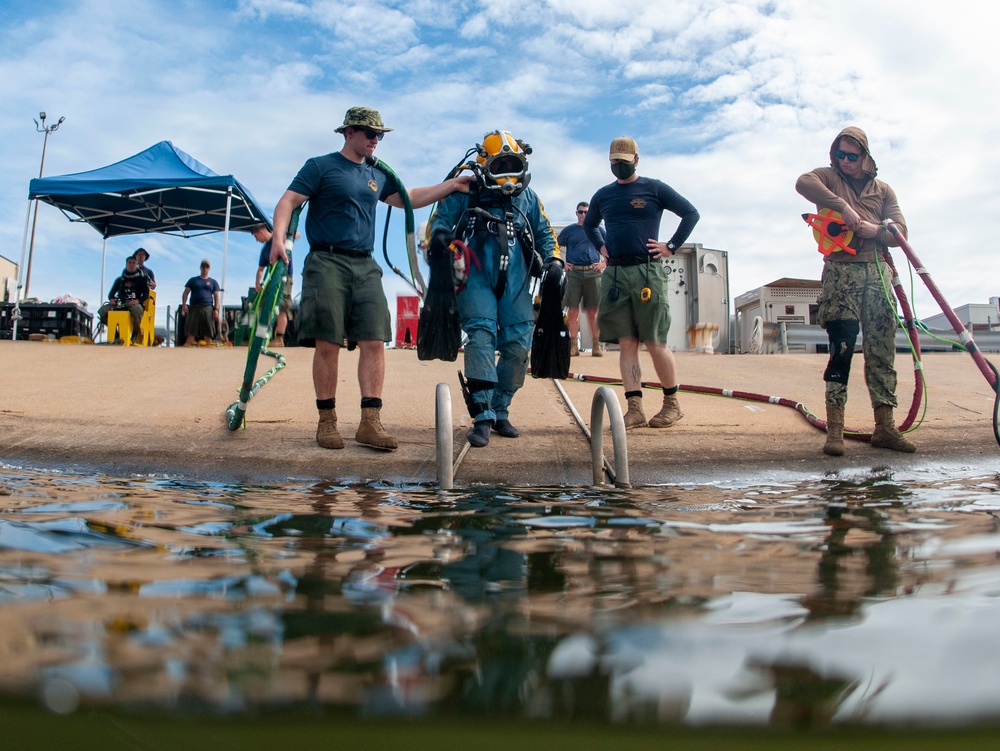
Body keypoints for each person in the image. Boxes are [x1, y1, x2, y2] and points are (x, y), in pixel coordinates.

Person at [269, 105, 471, 451]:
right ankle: (327, 421)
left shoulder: (377, 174)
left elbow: (409, 200)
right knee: (328, 342)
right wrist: (278, 238)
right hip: (326, 260)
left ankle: (369, 422)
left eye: (379, 135)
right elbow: (288, 201)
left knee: (375, 340)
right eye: (369, 133)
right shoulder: (320, 167)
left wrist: (452, 185)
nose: (376, 140)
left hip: (365, 264)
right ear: (348, 132)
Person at [428, 129, 562, 448]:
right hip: (475, 273)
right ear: (484, 165)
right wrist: (441, 239)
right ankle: (483, 414)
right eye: (499, 166)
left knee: (518, 343)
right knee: (481, 335)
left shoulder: (528, 198)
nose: (507, 175)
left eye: (511, 165)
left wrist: (554, 261)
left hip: (515, 276)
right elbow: (440, 222)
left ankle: (501, 408)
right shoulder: (464, 191)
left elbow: (544, 232)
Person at [795, 126, 916, 456]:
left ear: (865, 157)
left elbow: (900, 231)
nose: (845, 161)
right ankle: (835, 430)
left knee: (882, 351)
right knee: (841, 348)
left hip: (877, 276)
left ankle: (885, 428)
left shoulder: (884, 191)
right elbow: (803, 182)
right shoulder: (829, 178)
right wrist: (843, 207)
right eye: (839, 154)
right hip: (839, 275)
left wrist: (873, 229)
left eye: (852, 156)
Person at [583, 136, 700, 430]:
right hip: (616, 274)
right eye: (615, 162)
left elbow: (690, 213)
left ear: (636, 160)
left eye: (624, 161)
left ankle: (672, 405)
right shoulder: (603, 196)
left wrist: (671, 246)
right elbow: (589, 224)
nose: (619, 166)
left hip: (647, 273)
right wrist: (600, 245)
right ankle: (634, 408)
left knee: (655, 341)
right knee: (626, 343)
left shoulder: (654, 188)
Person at [558, 201, 606, 357]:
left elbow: (611, 248)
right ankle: (573, 346)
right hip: (574, 273)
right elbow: (553, 244)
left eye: (586, 212)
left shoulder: (599, 230)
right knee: (573, 311)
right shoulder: (569, 231)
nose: (583, 215)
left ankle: (596, 345)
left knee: (593, 311)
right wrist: (562, 262)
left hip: (593, 273)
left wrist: (604, 263)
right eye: (580, 212)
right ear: (576, 213)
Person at [253, 223, 293, 347]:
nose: (256, 240)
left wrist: (285, 236)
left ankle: (279, 338)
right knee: (264, 305)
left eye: (256, 237)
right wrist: (257, 283)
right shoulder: (265, 250)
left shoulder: (280, 238)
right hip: (271, 279)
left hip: (284, 277)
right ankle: (262, 337)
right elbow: (260, 269)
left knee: (281, 305)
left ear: (261, 232)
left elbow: (295, 234)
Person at [98, 255, 149, 344]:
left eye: (134, 263)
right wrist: (112, 299)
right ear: (126, 264)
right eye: (129, 262)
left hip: (134, 303)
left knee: (138, 310)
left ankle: (135, 333)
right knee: (102, 311)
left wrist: (138, 301)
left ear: (136, 265)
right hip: (120, 303)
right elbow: (111, 294)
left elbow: (146, 294)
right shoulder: (119, 280)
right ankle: (117, 335)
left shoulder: (141, 279)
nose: (131, 264)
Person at [181, 259, 221, 346]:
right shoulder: (193, 280)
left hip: (207, 308)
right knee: (191, 332)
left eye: (207, 267)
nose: (205, 268)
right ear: (200, 267)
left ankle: (208, 355)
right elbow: (185, 293)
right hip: (194, 307)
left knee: (208, 334)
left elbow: (217, 297)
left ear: (209, 269)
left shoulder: (213, 282)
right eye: (203, 266)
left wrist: (216, 309)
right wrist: (184, 304)